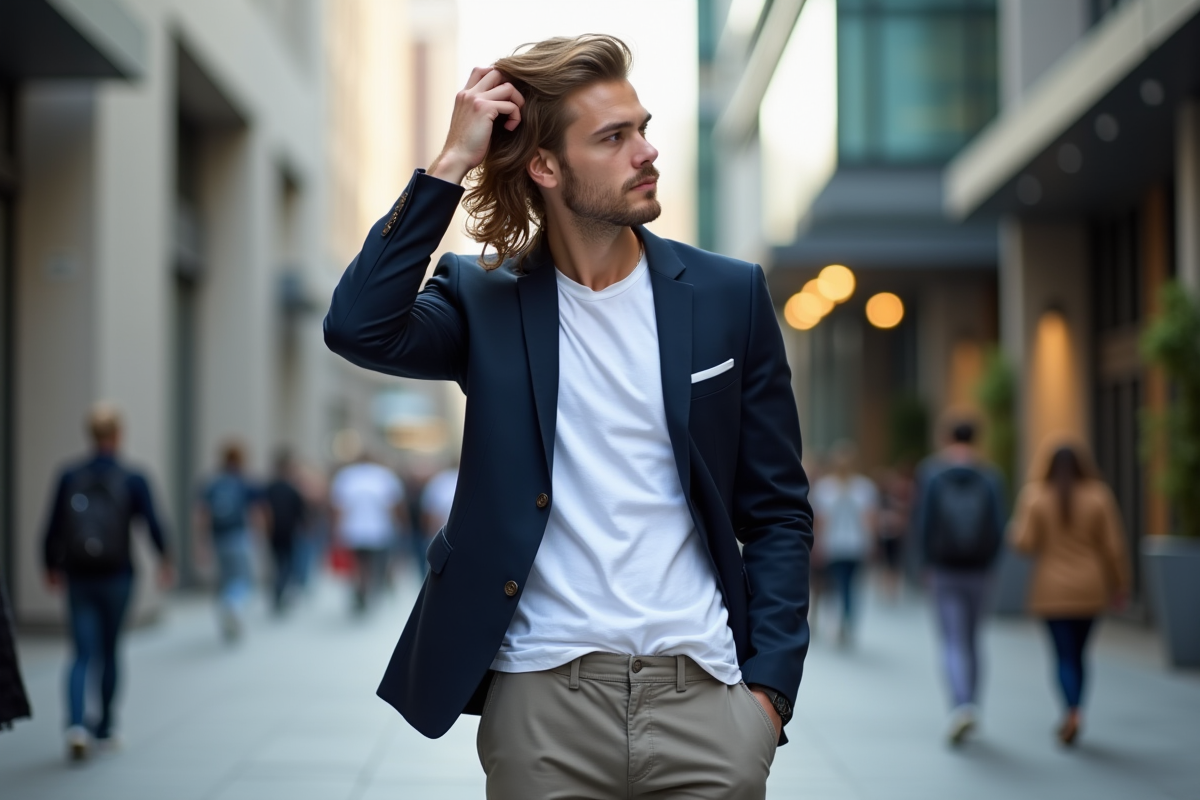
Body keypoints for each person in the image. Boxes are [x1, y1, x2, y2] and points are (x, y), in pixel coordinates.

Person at [323, 34, 812, 798]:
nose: (646, 152)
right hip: (542, 703)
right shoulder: (483, 301)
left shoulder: (728, 296)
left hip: (707, 701)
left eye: (643, 128)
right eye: (614, 138)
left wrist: (769, 695)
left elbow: (779, 509)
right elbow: (358, 325)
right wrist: (450, 163)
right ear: (546, 167)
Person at [41, 404, 172, 759]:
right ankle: (106, 727)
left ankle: (75, 725)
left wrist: (50, 565)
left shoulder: (69, 475)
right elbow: (153, 523)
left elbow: (52, 525)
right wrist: (165, 559)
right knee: (110, 652)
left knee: (81, 653)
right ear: (118, 435)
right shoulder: (132, 477)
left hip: (78, 575)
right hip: (117, 575)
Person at [1010, 441, 1130, 747]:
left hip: (1051, 590)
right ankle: (1077, 710)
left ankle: (1071, 711)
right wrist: (1120, 584)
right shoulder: (1098, 496)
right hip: (1090, 587)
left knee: (1063, 655)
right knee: (1079, 654)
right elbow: (1114, 547)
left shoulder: (1036, 496)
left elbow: (1023, 544)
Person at [913, 421, 1006, 745]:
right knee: (973, 639)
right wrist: (992, 563)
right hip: (979, 570)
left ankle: (960, 704)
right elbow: (998, 524)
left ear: (947, 437)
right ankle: (973, 705)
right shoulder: (989, 476)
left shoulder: (933, 474)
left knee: (952, 640)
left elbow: (923, 521)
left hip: (944, 570)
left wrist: (925, 563)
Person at [811, 441, 877, 646]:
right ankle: (845, 621)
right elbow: (869, 520)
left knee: (837, 584)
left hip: (836, 545)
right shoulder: (864, 488)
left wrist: (817, 544)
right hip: (853, 545)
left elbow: (820, 522)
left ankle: (842, 620)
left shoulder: (825, 488)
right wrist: (871, 543)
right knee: (848, 586)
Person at [197, 441, 262, 641]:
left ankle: (225, 611)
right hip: (239, 535)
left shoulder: (212, 483)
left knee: (225, 580)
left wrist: (201, 543)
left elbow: (202, 515)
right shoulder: (244, 482)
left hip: (218, 538)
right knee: (243, 580)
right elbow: (256, 512)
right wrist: (258, 537)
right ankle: (232, 605)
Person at [329, 453, 405, 613]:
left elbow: (338, 507)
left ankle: (361, 587)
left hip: (352, 529)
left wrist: (336, 529)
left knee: (358, 562)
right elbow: (393, 506)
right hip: (379, 530)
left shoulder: (346, 476)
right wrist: (398, 525)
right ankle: (368, 588)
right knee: (374, 562)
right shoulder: (384, 476)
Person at [263, 449, 308, 614]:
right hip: (288, 532)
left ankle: (277, 591)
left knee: (278, 563)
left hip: (274, 532)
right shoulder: (292, 489)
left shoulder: (270, 487)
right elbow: (301, 513)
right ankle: (279, 591)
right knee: (287, 564)